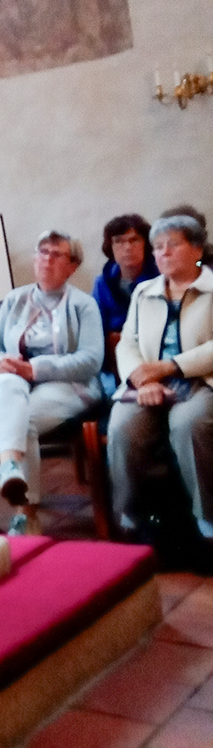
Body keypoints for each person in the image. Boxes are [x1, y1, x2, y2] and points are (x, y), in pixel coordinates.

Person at [107, 214, 213, 562]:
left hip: (201, 380)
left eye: (173, 244)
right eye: (157, 247)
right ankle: (133, 521)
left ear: (197, 249)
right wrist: (142, 378)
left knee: (188, 424)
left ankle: (206, 524)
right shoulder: (144, 292)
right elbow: (128, 341)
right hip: (149, 383)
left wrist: (171, 366)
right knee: (122, 428)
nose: (163, 252)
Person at [0, 230, 104, 530]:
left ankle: (25, 514)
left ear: (72, 266)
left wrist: (34, 370)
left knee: (21, 419)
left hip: (70, 386)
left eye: (57, 254)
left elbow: (91, 360)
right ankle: (10, 467)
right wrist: (0, 362)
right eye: (43, 252)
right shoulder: (15, 299)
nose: (47, 259)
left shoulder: (83, 304)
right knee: (3, 383)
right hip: (18, 386)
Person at [92, 213, 158, 393]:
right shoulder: (103, 282)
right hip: (117, 351)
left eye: (134, 240)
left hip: (153, 343)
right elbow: (97, 325)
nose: (127, 247)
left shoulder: (160, 278)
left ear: (146, 244)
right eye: (119, 241)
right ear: (110, 247)